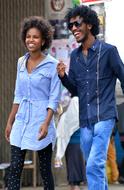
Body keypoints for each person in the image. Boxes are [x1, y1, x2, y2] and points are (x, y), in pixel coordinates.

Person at [57, 5, 124, 190]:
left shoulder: (109, 51)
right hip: (85, 120)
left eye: (77, 23)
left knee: (94, 164)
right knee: (95, 167)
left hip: (105, 115)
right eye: (71, 26)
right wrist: (63, 77)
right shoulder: (75, 56)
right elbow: (76, 90)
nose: (74, 28)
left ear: (89, 24)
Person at [5, 16, 61, 190]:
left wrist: (46, 123)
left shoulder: (53, 65)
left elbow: (54, 98)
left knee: (45, 170)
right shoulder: (21, 62)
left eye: (35, 37)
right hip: (21, 120)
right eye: (28, 36)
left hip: (41, 120)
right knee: (14, 167)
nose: (31, 40)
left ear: (43, 40)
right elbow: (18, 95)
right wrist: (10, 121)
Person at [55, 94, 86, 190]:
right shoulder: (82, 116)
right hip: (80, 145)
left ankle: (74, 185)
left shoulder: (66, 117)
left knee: (72, 165)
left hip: (70, 145)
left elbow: (60, 130)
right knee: (78, 164)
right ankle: (75, 185)